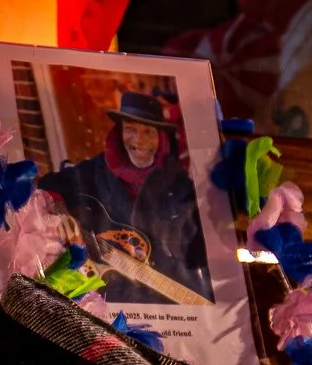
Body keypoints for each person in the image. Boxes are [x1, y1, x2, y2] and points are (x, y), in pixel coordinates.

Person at [41, 88, 211, 303]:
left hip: (161, 305)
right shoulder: (94, 170)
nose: (139, 139)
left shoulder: (182, 188)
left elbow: (198, 258)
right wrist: (59, 211)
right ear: (119, 133)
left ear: (160, 137)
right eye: (130, 129)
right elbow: (49, 185)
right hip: (99, 300)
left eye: (148, 131)